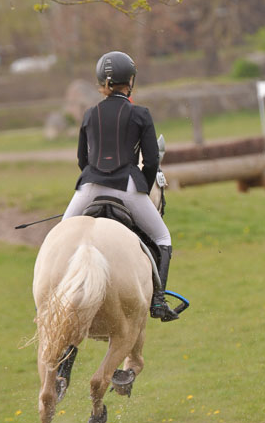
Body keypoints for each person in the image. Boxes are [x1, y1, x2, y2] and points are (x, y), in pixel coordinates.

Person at [62, 50, 178, 322]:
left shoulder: (90, 114)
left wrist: (93, 184)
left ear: (102, 82)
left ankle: (51, 298)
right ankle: (159, 301)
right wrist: (142, 189)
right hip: (126, 187)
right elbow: (151, 161)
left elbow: (82, 159)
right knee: (163, 239)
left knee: (58, 238)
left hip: (89, 186)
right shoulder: (140, 114)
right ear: (131, 81)